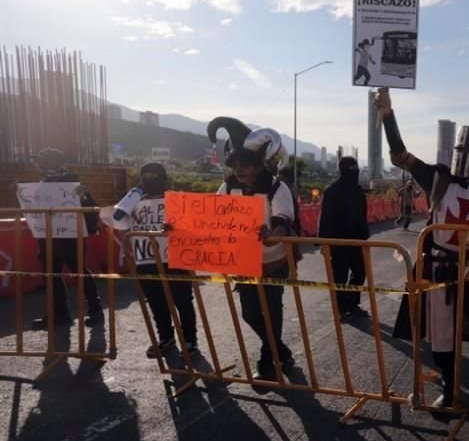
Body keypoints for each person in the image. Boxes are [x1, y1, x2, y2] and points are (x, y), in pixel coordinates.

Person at [377, 87, 469, 416]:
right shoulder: (437, 177)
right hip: (438, 269)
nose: (465, 154)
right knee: (441, 337)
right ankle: (450, 392)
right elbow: (401, 156)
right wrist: (388, 116)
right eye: (462, 148)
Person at [207, 116, 297, 390]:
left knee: (270, 311)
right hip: (244, 262)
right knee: (249, 314)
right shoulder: (227, 188)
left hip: (273, 263)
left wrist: (274, 233)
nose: (240, 169)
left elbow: (284, 218)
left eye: (245, 163)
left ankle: (267, 364)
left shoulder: (275, 187)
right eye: (234, 164)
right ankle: (280, 350)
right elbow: (211, 217)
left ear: (259, 164)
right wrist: (179, 226)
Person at [111, 163, 198, 358]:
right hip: (146, 260)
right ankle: (166, 338)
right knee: (157, 302)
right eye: (145, 177)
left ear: (163, 179)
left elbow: (193, 228)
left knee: (182, 302)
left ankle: (190, 341)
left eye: (154, 176)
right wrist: (134, 193)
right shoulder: (135, 201)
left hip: (175, 259)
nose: (149, 180)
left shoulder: (177, 200)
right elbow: (117, 218)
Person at [28, 148, 104, 330]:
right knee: (50, 275)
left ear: (51, 163)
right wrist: (19, 192)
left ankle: (96, 310)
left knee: (80, 272)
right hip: (47, 237)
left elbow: (91, 207)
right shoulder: (41, 184)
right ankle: (59, 314)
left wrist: (83, 195)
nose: (39, 165)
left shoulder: (72, 181)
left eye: (42, 162)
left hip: (70, 236)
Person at [319, 156, 370, 320]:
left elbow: (363, 215)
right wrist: (323, 243)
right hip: (338, 242)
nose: (355, 174)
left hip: (357, 241)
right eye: (352, 171)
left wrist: (365, 237)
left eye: (356, 171)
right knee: (339, 276)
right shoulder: (332, 191)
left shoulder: (358, 190)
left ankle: (352, 304)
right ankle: (340, 308)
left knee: (360, 273)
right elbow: (325, 218)